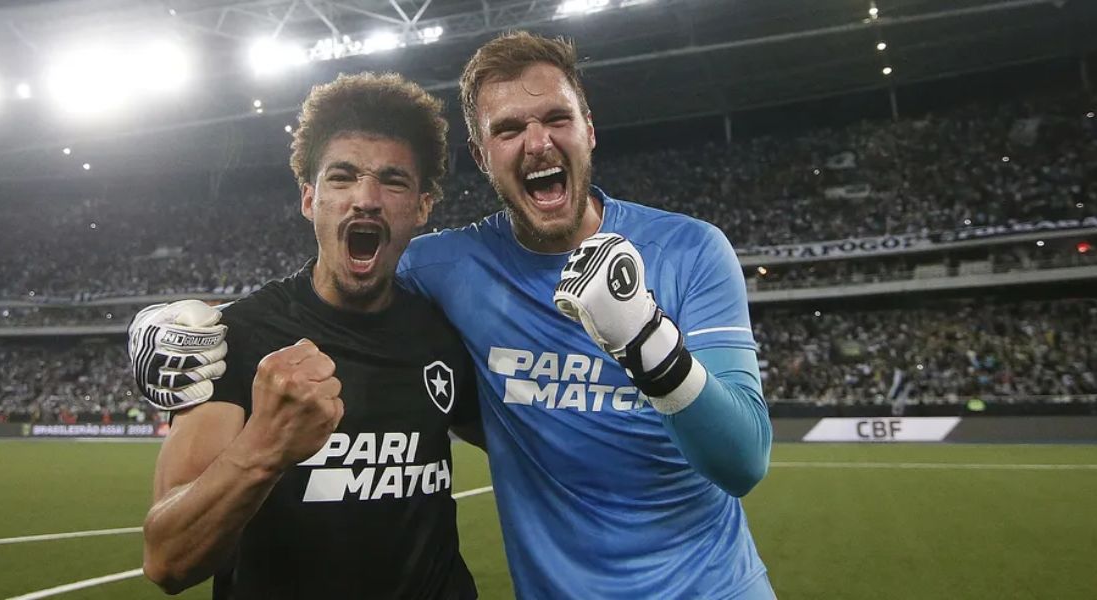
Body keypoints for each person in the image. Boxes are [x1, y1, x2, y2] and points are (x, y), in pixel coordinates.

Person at [134, 32, 774, 599]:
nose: (537, 141)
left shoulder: (689, 250)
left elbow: (743, 463)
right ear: (482, 153)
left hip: (714, 586)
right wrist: (171, 322)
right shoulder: (438, 271)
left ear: (589, 130)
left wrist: (646, 339)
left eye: (557, 118)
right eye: (508, 128)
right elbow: (167, 558)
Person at [128, 72, 481, 599]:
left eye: (394, 180)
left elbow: (534, 440)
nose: (366, 199)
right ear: (309, 198)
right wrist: (266, 447)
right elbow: (168, 560)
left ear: (423, 206)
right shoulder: (240, 336)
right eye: (342, 177)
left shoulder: (446, 331)